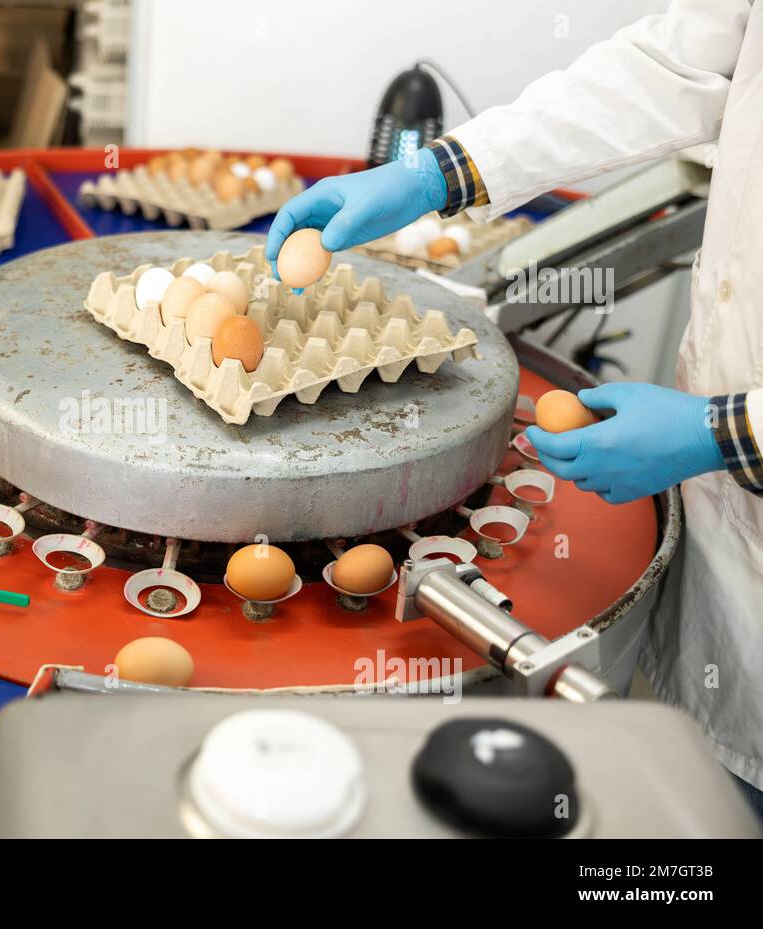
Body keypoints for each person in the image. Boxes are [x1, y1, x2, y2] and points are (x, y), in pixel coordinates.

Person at [265, 0, 763, 816]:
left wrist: (728, 432)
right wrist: (438, 173)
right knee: (700, 799)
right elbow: (680, 63)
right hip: (734, 569)